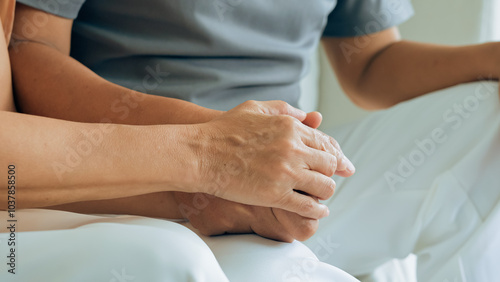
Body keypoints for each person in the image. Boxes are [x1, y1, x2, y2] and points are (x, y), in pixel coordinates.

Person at [7, 0, 500, 280]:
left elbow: (370, 64)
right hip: (141, 170)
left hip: (286, 165)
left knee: (492, 113)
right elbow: (31, 51)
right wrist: (217, 149)